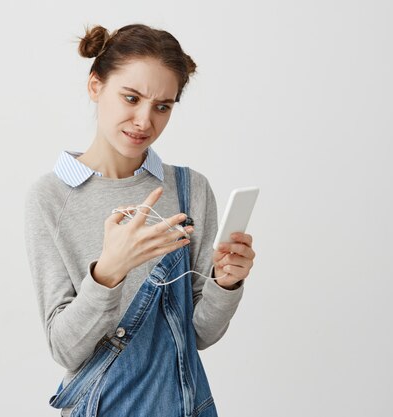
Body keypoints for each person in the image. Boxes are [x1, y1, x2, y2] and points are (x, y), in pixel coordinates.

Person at [24, 23, 256, 417]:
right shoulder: (51, 197)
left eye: (163, 106)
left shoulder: (189, 189)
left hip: (185, 405)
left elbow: (199, 334)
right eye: (131, 98)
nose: (145, 121)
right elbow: (64, 348)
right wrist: (108, 273)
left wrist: (226, 282)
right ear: (95, 86)